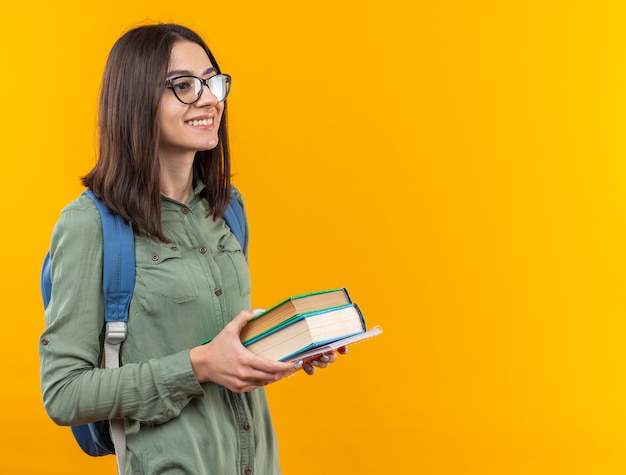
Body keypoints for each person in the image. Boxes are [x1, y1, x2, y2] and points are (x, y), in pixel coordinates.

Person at [39, 23, 344, 474]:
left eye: (212, 81)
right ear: (136, 100)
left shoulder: (227, 209)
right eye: (184, 86)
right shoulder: (89, 226)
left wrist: (281, 347)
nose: (209, 99)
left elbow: (219, 340)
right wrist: (198, 366)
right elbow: (63, 393)